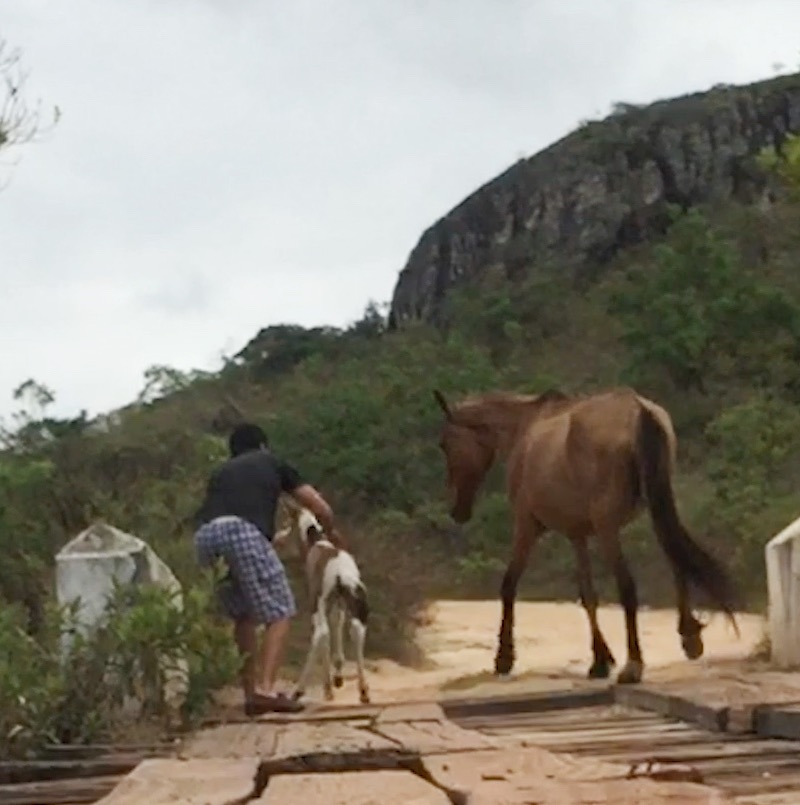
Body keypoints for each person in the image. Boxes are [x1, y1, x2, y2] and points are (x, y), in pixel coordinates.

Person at [193, 422, 336, 715]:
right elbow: (319, 508)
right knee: (280, 611)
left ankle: (250, 693)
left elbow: (231, 521)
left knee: (244, 615)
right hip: (242, 533)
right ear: (262, 446)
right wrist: (330, 534)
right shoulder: (270, 461)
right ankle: (266, 690)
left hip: (205, 536)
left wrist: (271, 540)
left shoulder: (221, 473)